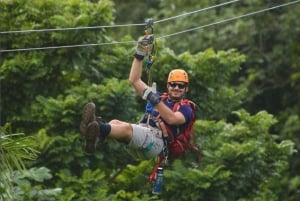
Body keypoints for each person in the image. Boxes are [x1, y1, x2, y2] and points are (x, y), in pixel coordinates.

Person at [80, 35, 195, 160]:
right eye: (173, 84)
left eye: (181, 85)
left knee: (126, 129)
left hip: (155, 142)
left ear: (186, 89)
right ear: (168, 85)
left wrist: (154, 99)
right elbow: (134, 80)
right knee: (115, 122)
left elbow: (172, 119)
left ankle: (97, 128)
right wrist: (139, 55)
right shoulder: (160, 97)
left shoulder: (186, 108)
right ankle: (95, 135)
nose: (176, 88)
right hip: (143, 136)